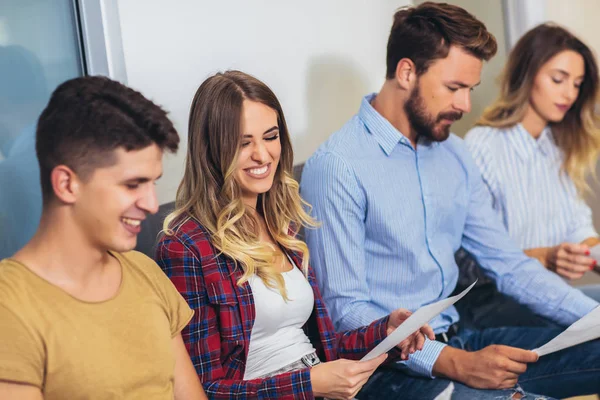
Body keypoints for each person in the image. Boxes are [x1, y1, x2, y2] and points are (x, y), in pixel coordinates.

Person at [301, 3, 600, 399]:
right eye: (454, 88)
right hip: (387, 369)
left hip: (460, 336)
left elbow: (510, 266)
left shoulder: (454, 156)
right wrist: (454, 362)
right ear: (407, 72)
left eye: (470, 90)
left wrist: (592, 318)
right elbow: (346, 314)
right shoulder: (336, 166)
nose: (465, 106)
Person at [155, 70, 433, 400]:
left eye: (270, 137)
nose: (262, 155)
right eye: (243, 143)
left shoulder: (281, 225)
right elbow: (203, 390)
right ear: (212, 150)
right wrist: (310, 383)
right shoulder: (184, 245)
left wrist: (384, 331)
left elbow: (324, 350)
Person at [0, 76, 208, 400]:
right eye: (132, 184)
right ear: (67, 184)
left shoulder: (145, 272)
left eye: (153, 183)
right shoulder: (10, 306)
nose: (152, 204)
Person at [465, 24, 600, 304]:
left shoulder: (558, 147)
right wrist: (544, 258)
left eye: (577, 84)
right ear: (527, 75)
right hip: (496, 303)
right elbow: (470, 260)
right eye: (558, 79)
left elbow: (579, 230)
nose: (570, 94)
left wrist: (592, 253)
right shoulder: (482, 146)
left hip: (552, 296)